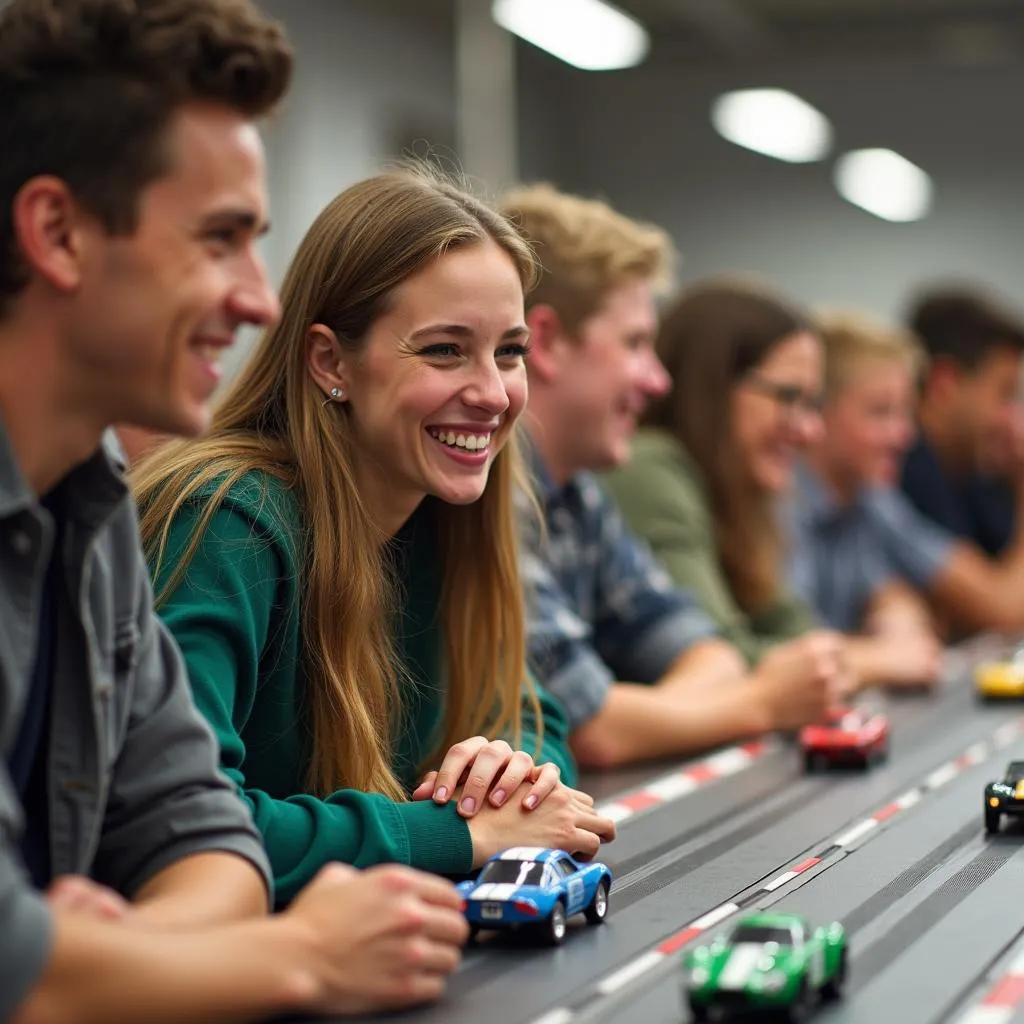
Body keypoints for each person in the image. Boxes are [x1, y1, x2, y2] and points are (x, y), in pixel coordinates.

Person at [1, 1, 470, 1020]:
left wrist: (120, 956)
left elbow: (193, 827)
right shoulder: (212, 511)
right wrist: (296, 954)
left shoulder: (87, 518)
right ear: (57, 233)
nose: (259, 298)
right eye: (220, 240)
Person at [132, 167, 616, 906]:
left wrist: (509, 774)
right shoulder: (225, 521)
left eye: (509, 351)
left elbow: (534, 718)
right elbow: (186, 828)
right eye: (445, 350)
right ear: (331, 362)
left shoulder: (440, 510)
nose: (492, 392)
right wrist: (458, 835)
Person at [498, 185, 845, 770]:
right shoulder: (495, 497)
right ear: (550, 343)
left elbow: (712, 655)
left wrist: (648, 716)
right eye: (635, 344)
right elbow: (594, 731)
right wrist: (760, 703)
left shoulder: (578, 493)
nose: (658, 381)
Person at [603, 280, 941, 690]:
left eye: (811, 404)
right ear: (716, 387)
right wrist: (876, 661)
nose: (810, 429)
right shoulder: (651, 466)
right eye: (788, 397)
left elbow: (796, 629)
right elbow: (722, 659)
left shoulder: (741, 493)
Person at [793, 310, 1024, 639]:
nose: (904, 435)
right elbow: (789, 650)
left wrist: (897, 608)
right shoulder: (782, 503)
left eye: (904, 412)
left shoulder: (871, 500)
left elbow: (892, 595)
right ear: (815, 412)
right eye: (880, 412)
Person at [901, 287, 1024, 557]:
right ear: (944, 385)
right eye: (1004, 394)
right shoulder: (906, 469)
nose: (1013, 419)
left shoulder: (969, 472)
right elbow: (1003, 599)